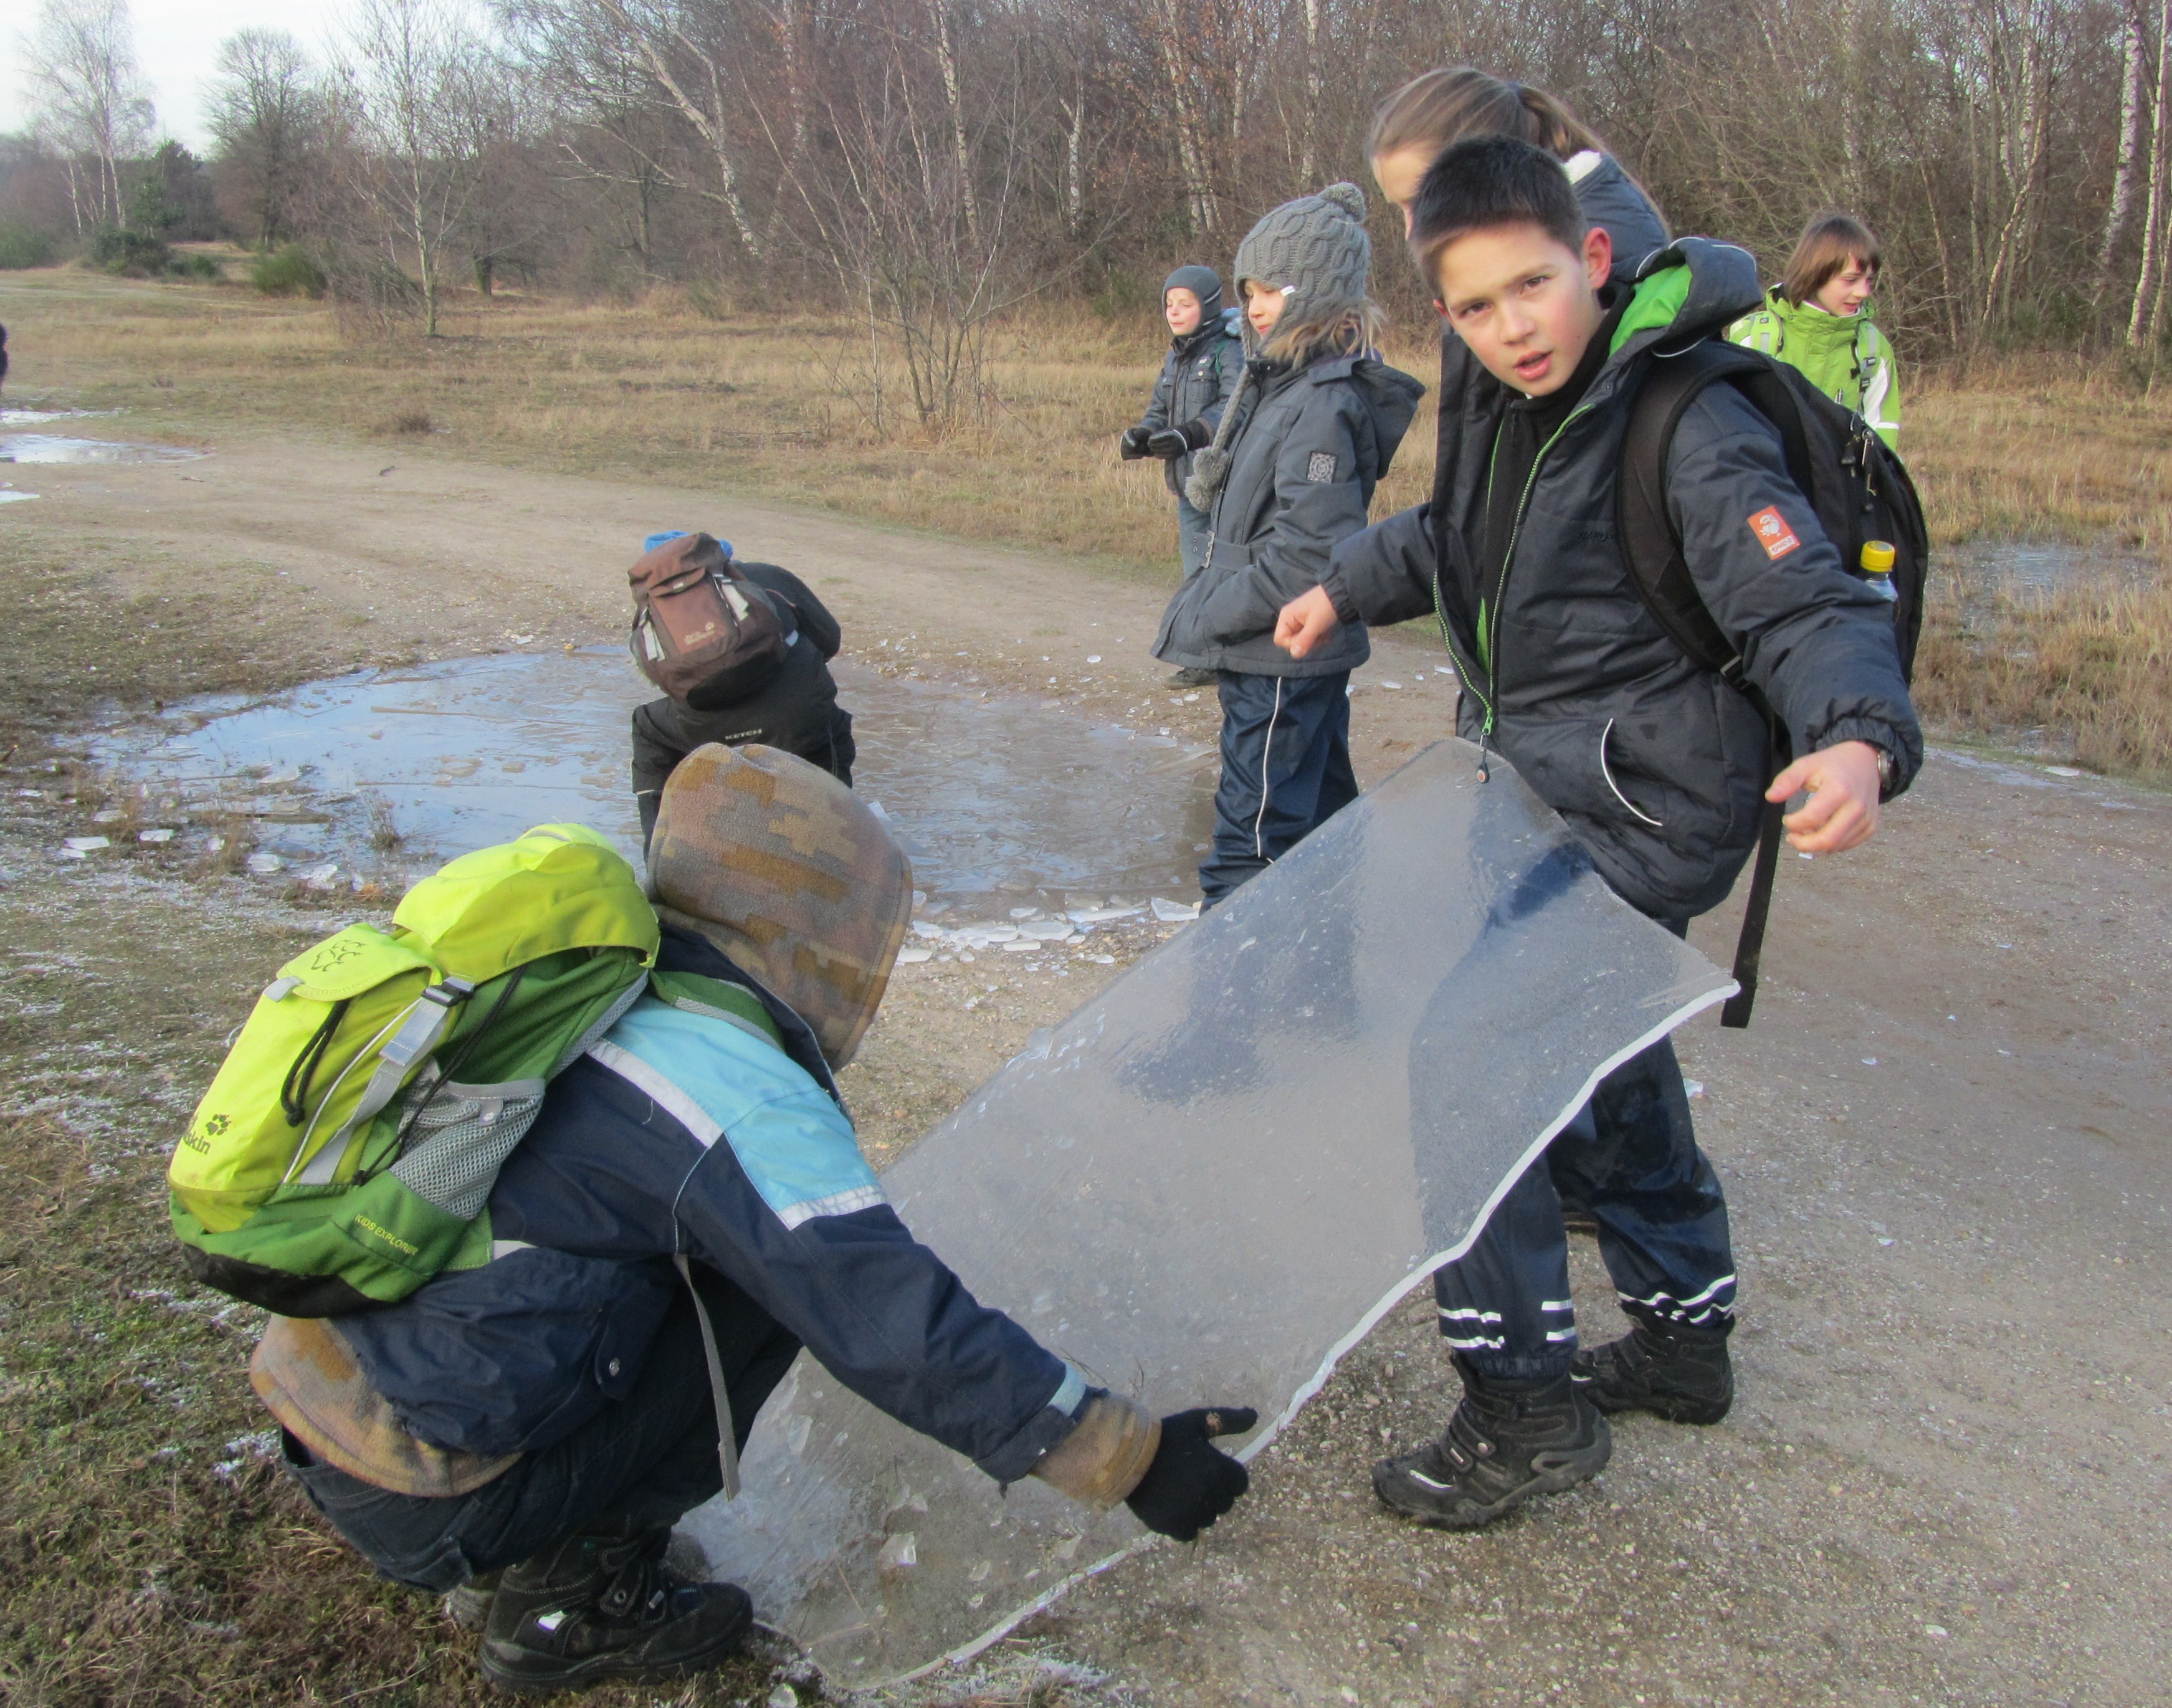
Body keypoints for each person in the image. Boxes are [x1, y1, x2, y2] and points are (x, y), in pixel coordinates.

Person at [248, 743, 1256, 1693]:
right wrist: (1128, 1456)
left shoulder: (604, 991)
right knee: (765, 1291)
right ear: (811, 929)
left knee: (711, 1254)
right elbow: (891, 1318)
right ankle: (570, 1599)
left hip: (332, 1401)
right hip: (426, 1487)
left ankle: (542, 1532)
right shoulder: (733, 1087)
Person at [1274, 137, 1922, 1529]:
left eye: (1534, 286)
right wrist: (1341, 587)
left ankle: (1524, 1407)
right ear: (1444, 315)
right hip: (1553, 791)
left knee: (1471, 1056)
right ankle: (1687, 1336)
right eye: (1475, 306)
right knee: (1602, 1053)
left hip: (1648, 804)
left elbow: (1806, 601)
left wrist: (1856, 737)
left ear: (1595, 262)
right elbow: (1458, 539)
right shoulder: (1517, 406)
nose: (1513, 325)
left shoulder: (1688, 420)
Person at [1151, 184, 1424, 907]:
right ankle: (1330, 987)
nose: (1257, 304)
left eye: (1272, 288)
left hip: (1282, 657)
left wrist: (1214, 608)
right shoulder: (1280, 385)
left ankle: (1224, 1007)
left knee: (1252, 848)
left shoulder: (1323, 402)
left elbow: (1311, 557)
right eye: (1249, 289)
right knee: (1328, 825)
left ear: (1320, 293)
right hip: (1278, 654)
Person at [628, 530, 856, 845]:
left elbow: (659, 678)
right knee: (829, 725)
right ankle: (836, 841)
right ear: (719, 559)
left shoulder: (654, 612)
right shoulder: (767, 578)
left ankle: (663, 861)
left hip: (701, 727)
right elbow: (829, 639)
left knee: (647, 730)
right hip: (794, 717)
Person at [1122, 265, 1246, 599]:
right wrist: (1144, 436)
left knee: (1225, 581)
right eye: (1169, 303)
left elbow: (1236, 408)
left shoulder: (1230, 349)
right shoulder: (1176, 356)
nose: (1174, 311)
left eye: (1185, 303)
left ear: (1207, 306)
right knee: (1195, 580)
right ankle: (1203, 642)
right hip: (1187, 489)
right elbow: (1160, 408)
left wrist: (1192, 434)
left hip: (1223, 487)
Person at [1728, 209, 1900, 448]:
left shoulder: (1872, 347)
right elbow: (1728, 426)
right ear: (1815, 275)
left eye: (1869, 280)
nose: (1864, 292)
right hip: (1766, 479)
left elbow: (1883, 434)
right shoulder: (1754, 338)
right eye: (1851, 280)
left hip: (1842, 482)